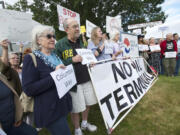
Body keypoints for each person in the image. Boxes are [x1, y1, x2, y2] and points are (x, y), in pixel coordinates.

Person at [22, 25, 72, 135]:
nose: (53, 39)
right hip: (49, 110)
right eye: (49, 36)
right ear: (38, 40)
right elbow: (29, 89)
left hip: (62, 105)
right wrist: (55, 75)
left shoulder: (55, 56)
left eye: (53, 36)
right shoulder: (30, 58)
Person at [55, 18, 97, 135]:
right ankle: (77, 129)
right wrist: (71, 60)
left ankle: (84, 123)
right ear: (67, 29)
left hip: (86, 78)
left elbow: (86, 57)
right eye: (74, 26)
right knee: (76, 108)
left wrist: (91, 61)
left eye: (78, 26)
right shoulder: (60, 45)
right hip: (73, 83)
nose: (78, 29)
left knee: (88, 103)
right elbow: (56, 63)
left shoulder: (82, 42)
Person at [0, 39, 37, 135]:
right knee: (23, 117)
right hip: (18, 100)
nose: (16, 59)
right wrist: (5, 49)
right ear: (8, 60)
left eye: (17, 58)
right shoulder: (8, 72)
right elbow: (4, 66)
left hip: (27, 96)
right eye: (13, 58)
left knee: (30, 115)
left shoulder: (22, 68)